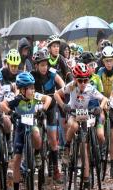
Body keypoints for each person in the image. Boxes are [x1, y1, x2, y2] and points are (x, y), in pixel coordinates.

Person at [54, 63, 108, 189]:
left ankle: (86, 178)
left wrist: (100, 108)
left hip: (85, 116)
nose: (83, 83)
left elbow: (104, 99)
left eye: (85, 80)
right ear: (75, 79)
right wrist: (63, 105)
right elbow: (56, 94)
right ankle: (67, 147)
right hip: (73, 114)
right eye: (80, 80)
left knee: (84, 147)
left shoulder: (90, 88)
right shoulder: (71, 86)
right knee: (73, 127)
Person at [0, 72, 52, 190]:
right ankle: (16, 186)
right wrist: (10, 112)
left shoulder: (34, 96)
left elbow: (48, 98)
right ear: (22, 90)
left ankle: (37, 153)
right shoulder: (17, 98)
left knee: (36, 133)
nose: (33, 91)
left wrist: (43, 109)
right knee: (17, 159)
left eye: (33, 88)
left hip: (32, 125)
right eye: (30, 88)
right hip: (20, 129)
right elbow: (2, 104)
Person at [31, 50, 65, 182]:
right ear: (36, 66)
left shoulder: (52, 73)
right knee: (35, 134)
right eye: (41, 65)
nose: (44, 67)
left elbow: (62, 84)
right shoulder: (32, 75)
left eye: (46, 64)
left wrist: (62, 92)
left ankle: (56, 169)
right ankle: (37, 154)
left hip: (51, 107)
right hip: (36, 107)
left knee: (52, 140)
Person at [97, 46, 113, 177]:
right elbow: (97, 90)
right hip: (102, 103)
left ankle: (112, 163)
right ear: (103, 62)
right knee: (102, 121)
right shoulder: (100, 72)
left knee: (112, 135)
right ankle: (100, 153)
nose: (109, 63)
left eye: (111, 61)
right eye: (106, 61)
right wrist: (104, 105)